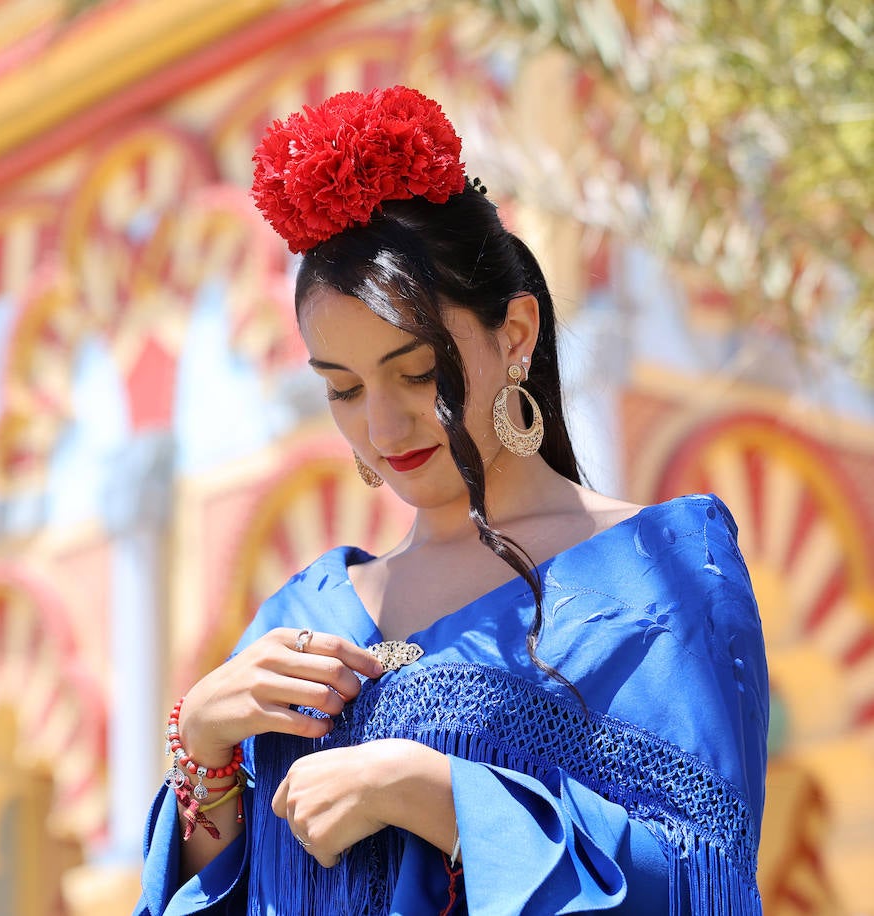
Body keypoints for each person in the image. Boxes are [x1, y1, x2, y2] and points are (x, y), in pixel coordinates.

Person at [134, 86, 768, 915]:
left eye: (417, 373)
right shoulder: (304, 610)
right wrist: (207, 754)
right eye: (344, 389)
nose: (382, 423)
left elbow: (703, 884)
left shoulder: (661, 571)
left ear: (515, 335)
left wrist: (439, 794)